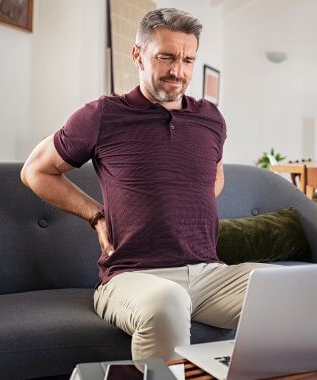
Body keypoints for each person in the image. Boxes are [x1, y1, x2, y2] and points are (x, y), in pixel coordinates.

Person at [20, 8, 271, 361]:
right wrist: (96, 215)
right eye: (166, 57)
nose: (177, 71)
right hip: (132, 277)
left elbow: (214, 177)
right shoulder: (103, 115)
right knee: (168, 301)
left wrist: (182, 202)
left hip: (209, 274)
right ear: (138, 54)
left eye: (187, 59)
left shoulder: (211, 119)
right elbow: (35, 171)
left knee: (284, 288)